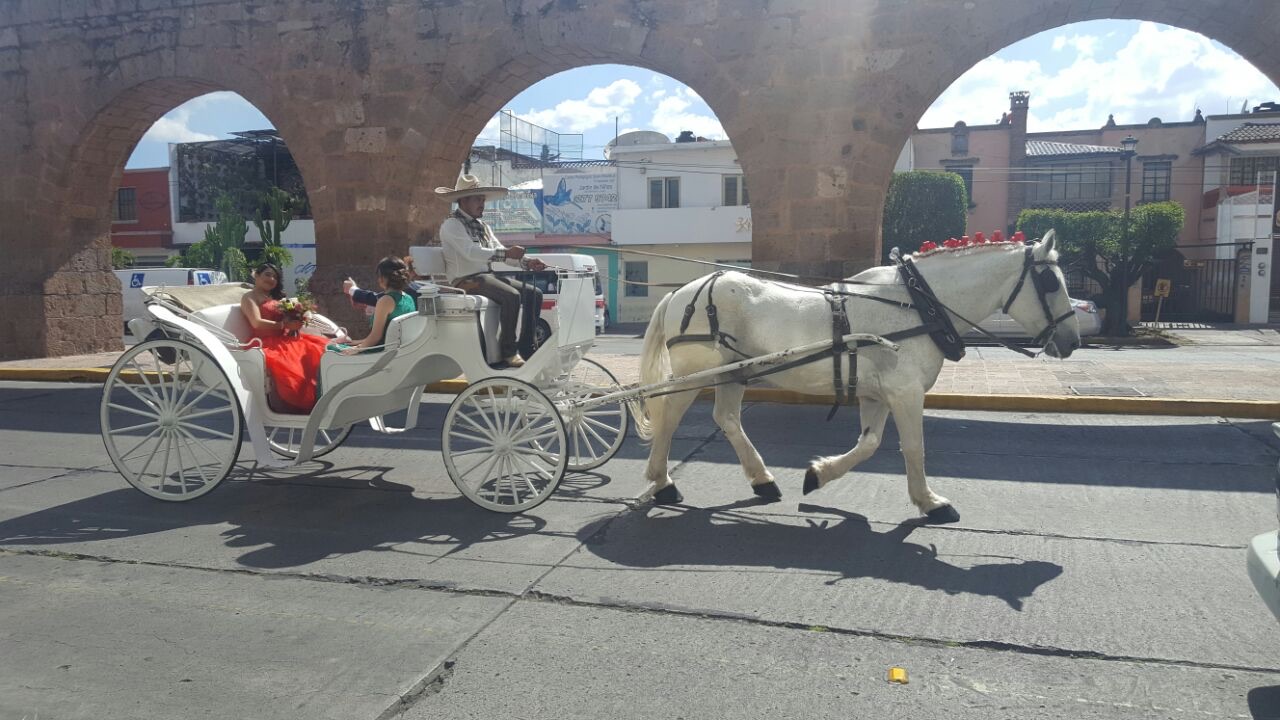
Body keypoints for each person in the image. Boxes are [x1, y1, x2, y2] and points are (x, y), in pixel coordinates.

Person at [435, 175, 546, 368]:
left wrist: (527, 262)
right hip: (465, 281)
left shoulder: (483, 227)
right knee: (511, 296)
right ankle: (508, 353)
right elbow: (471, 253)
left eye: (483, 199)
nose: (482, 203)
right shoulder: (452, 225)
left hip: (485, 278)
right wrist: (505, 253)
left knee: (534, 294)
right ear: (464, 200)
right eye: (478, 199)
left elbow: (500, 250)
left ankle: (527, 348)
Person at [239, 262, 328, 413]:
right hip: (265, 342)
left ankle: (323, 392)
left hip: (285, 339)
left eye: (275, 277)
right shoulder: (249, 297)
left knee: (317, 349)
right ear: (257, 275)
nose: (272, 279)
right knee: (294, 365)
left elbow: (288, 316)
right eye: (267, 274)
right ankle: (304, 400)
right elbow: (256, 323)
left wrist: (297, 318)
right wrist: (283, 325)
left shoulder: (273, 297)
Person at [328, 256, 417, 354]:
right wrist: (353, 343)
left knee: (330, 348)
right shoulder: (409, 298)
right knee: (340, 345)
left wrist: (355, 349)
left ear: (383, 278)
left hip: (381, 353)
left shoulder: (385, 301)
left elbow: (376, 337)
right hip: (398, 350)